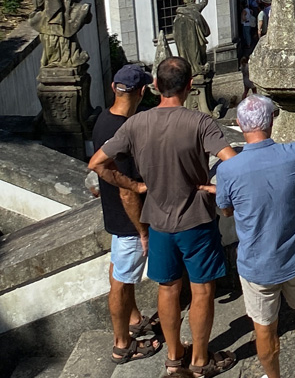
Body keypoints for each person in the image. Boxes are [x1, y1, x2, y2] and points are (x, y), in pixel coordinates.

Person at [89, 56, 238, 378]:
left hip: (157, 219)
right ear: (189, 86)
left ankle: (173, 357)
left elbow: (97, 163)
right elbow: (233, 162)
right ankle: (199, 360)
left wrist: (135, 184)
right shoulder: (201, 123)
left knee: (167, 289)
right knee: (201, 291)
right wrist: (214, 189)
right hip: (196, 219)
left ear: (155, 86)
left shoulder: (135, 124)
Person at [210, 95, 295, 378]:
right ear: (272, 121)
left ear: (239, 125)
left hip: (256, 263)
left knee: (264, 327)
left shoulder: (228, 169)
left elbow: (225, 211)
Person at [89, 64, 162, 366]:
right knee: (121, 280)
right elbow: (128, 192)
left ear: (113, 88)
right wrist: (143, 231)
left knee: (118, 272)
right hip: (128, 220)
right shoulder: (124, 130)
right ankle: (122, 344)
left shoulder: (103, 120)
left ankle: (133, 319)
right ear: (142, 91)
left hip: (115, 217)